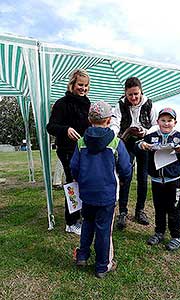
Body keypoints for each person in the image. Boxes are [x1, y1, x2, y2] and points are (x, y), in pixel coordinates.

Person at [70, 101, 132, 278]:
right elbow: (126, 169)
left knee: (87, 224)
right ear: (108, 120)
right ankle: (102, 266)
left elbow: (74, 167)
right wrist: (124, 181)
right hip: (107, 195)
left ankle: (82, 256)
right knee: (104, 230)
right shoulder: (115, 142)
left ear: (90, 120)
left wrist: (79, 179)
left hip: (87, 193)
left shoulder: (81, 142)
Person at [137, 108, 180, 251]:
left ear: (175, 122)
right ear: (157, 122)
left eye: (169, 120)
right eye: (163, 120)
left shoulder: (179, 137)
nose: (166, 123)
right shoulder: (151, 136)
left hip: (173, 181)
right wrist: (142, 145)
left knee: (174, 208)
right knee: (159, 208)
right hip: (157, 181)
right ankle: (159, 232)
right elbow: (136, 145)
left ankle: (176, 237)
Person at [46, 69, 91, 235]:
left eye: (86, 86)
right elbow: (50, 126)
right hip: (66, 150)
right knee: (72, 183)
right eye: (80, 85)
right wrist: (66, 130)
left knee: (82, 182)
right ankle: (71, 222)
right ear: (72, 84)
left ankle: (80, 215)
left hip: (83, 150)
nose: (83, 88)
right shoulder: (61, 103)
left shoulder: (87, 103)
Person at [110, 76, 158, 229]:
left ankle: (140, 210)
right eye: (130, 94)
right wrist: (114, 135)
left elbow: (156, 124)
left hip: (144, 142)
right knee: (125, 175)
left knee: (143, 177)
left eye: (136, 94)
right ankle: (123, 211)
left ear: (140, 91)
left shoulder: (149, 103)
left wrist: (146, 131)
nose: (133, 98)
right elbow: (115, 123)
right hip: (126, 142)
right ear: (125, 93)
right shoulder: (120, 105)